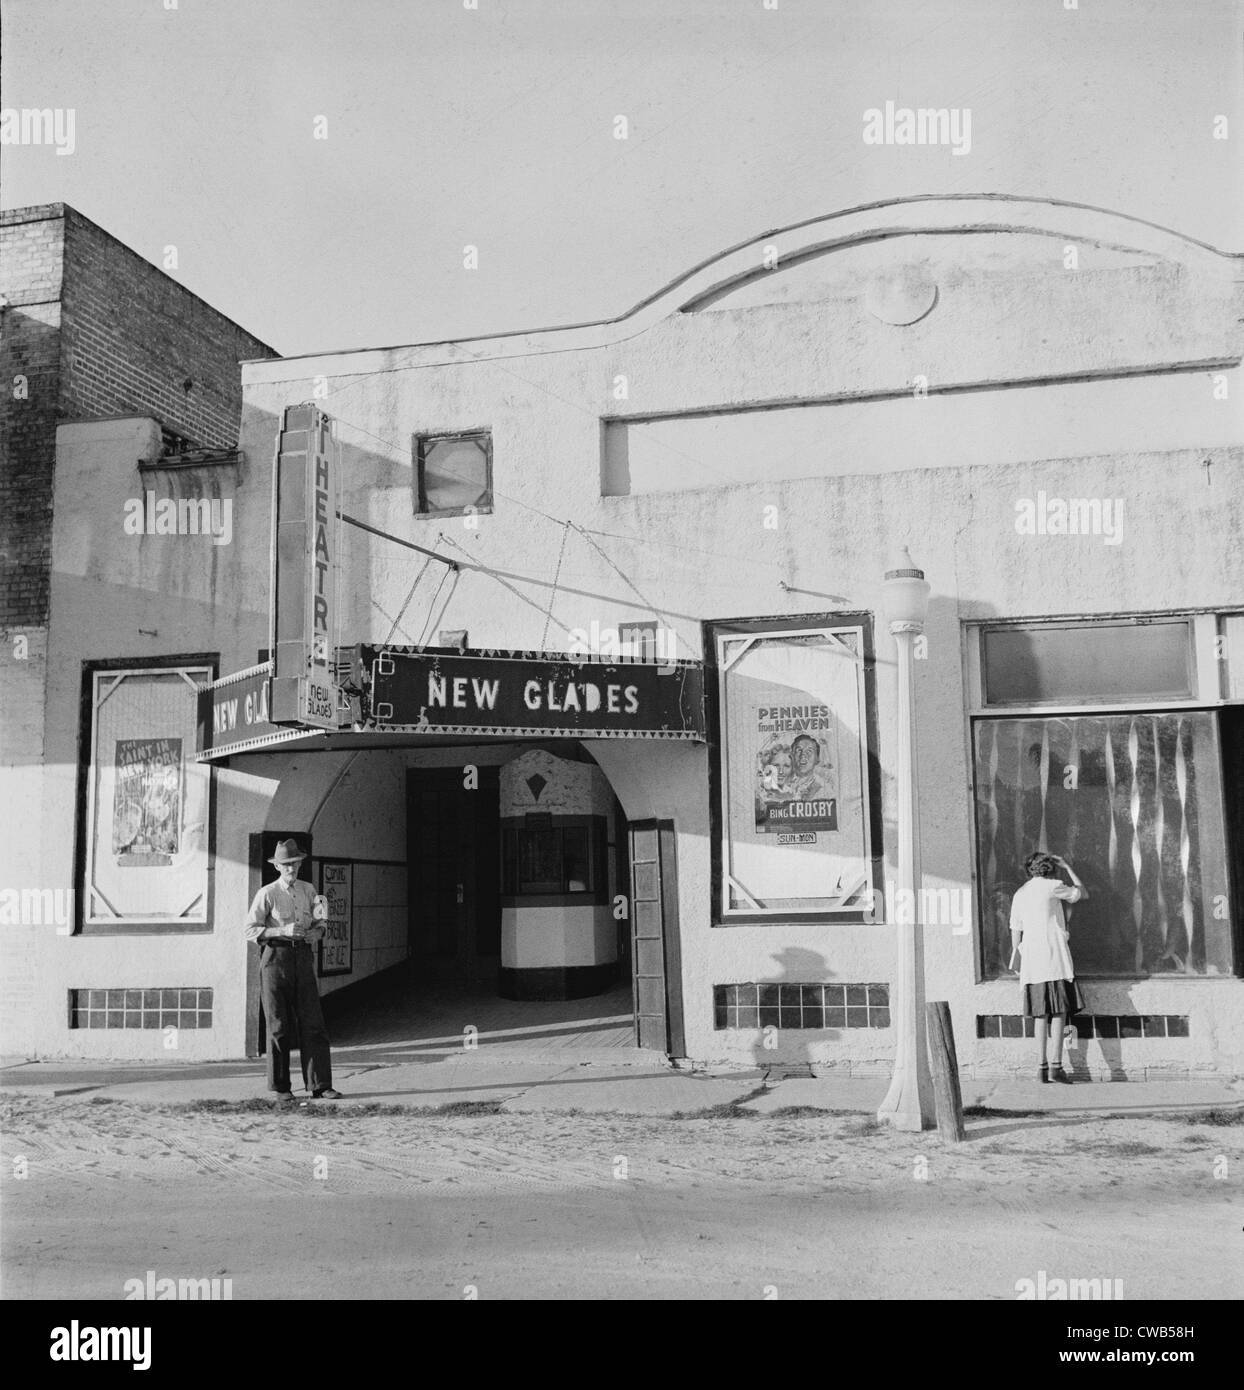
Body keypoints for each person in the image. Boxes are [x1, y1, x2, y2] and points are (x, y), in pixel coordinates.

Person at [245, 839, 342, 1103]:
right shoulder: (267, 893)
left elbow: (323, 919)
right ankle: (281, 1087)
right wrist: (281, 930)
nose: (291, 868)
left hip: (302, 957)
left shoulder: (310, 890)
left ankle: (321, 1085)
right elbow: (249, 930)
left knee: (313, 1022)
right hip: (275, 958)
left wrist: (317, 933)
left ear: (300, 864)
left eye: (295, 863)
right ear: (277, 866)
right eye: (286, 864)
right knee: (278, 1024)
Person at [1009, 851, 1087, 1083]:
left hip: (1032, 962)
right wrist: (1068, 866)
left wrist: (1018, 958)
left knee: (1040, 1014)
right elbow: (1082, 893)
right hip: (1054, 957)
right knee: (1060, 1011)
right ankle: (1056, 1066)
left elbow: (1015, 929)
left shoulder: (1020, 893)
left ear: (1029, 869)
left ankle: (1041, 1067)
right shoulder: (1054, 886)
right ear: (1051, 869)